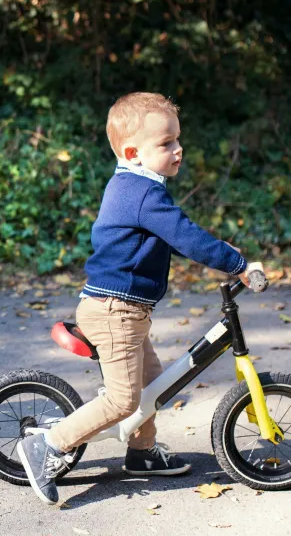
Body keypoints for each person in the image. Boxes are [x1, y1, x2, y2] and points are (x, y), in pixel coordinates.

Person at [17, 92, 262, 505]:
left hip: (124, 310)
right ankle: (49, 446)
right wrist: (235, 261)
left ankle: (142, 453)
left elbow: (177, 237)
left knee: (152, 383)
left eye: (177, 139)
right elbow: (185, 235)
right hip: (115, 312)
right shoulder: (144, 194)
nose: (178, 149)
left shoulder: (136, 186)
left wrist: (215, 249)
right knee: (123, 398)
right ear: (133, 151)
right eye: (166, 143)